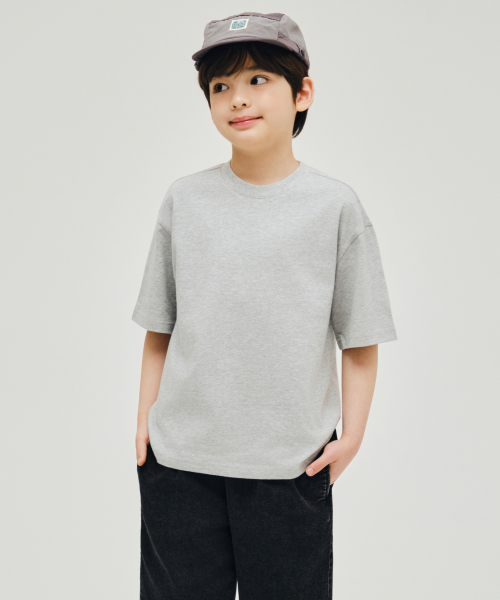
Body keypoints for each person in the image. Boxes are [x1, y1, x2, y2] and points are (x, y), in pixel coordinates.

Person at [131, 11, 397, 600]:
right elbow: (159, 327)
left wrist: (351, 437)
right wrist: (145, 424)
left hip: (290, 467)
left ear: (302, 93)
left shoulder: (334, 207)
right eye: (220, 85)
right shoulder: (185, 201)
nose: (237, 98)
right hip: (180, 465)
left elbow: (360, 338)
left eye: (258, 80)